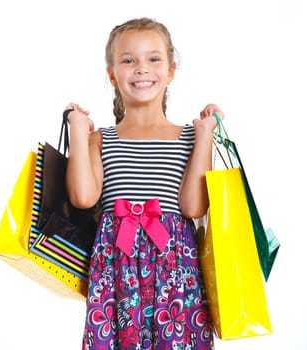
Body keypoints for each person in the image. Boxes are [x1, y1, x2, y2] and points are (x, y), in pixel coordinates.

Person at [64, 17, 224, 350]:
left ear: (170, 71)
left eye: (153, 59)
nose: (141, 69)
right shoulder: (101, 139)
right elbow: (82, 196)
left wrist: (206, 135)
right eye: (128, 60)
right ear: (112, 74)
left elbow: (193, 207)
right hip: (115, 272)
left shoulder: (189, 137)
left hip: (175, 272)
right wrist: (78, 129)